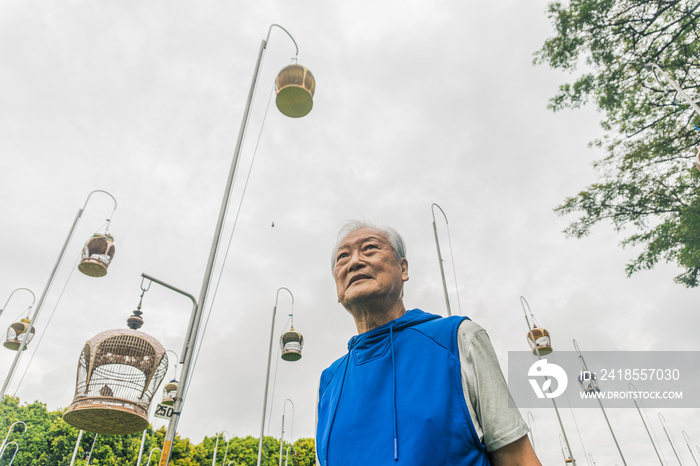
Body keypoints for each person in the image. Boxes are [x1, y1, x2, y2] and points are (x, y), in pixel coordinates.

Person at [315, 220, 541, 465]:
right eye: (342, 257)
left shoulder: (457, 338)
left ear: (403, 268)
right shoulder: (329, 382)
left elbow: (519, 460)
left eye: (370, 248)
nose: (354, 262)